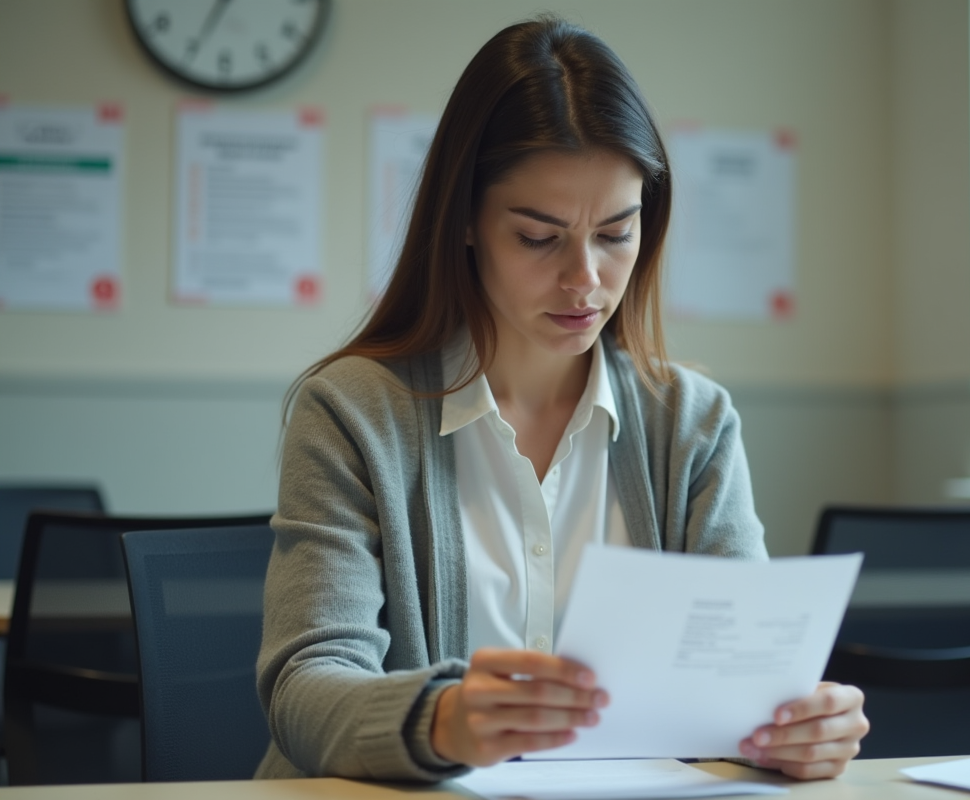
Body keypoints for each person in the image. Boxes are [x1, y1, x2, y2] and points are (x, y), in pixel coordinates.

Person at [256, 15, 868, 784]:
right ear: (467, 224)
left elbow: (735, 689)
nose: (585, 280)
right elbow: (304, 689)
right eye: (540, 238)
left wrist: (786, 726)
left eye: (616, 233)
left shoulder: (694, 422)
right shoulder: (350, 412)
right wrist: (441, 720)